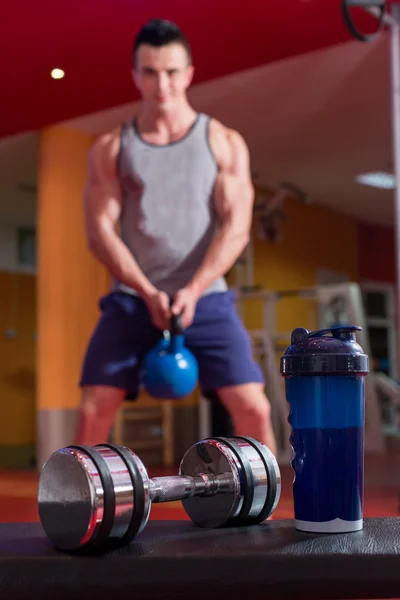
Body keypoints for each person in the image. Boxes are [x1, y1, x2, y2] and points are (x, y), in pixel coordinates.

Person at [75, 18, 277, 457]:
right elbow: (99, 232)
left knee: (254, 410)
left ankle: (265, 508)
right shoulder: (113, 147)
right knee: (93, 411)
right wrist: (148, 292)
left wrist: (193, 289)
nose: (161, 83)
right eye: (149, 72)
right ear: (135, 75)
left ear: (188, 74)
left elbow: (236, 227)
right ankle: (83, 512)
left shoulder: (222, 141)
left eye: (170, 72)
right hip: (133, 298)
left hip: (206, 298)